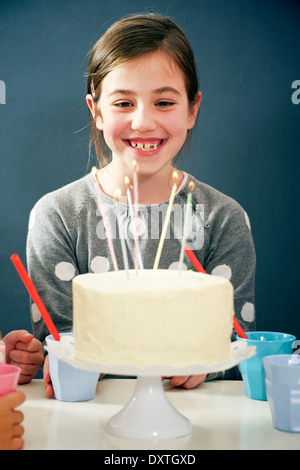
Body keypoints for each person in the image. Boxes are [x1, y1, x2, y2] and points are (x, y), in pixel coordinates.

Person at [26, 13, 256, 396]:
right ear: (96, 111)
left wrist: (206, 365)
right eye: (123, 103)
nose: (144, 122)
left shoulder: (222, 218)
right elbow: (61, 341)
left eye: (164, 101)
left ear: (192, 109)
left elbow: (237, 343)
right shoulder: (58, 217)